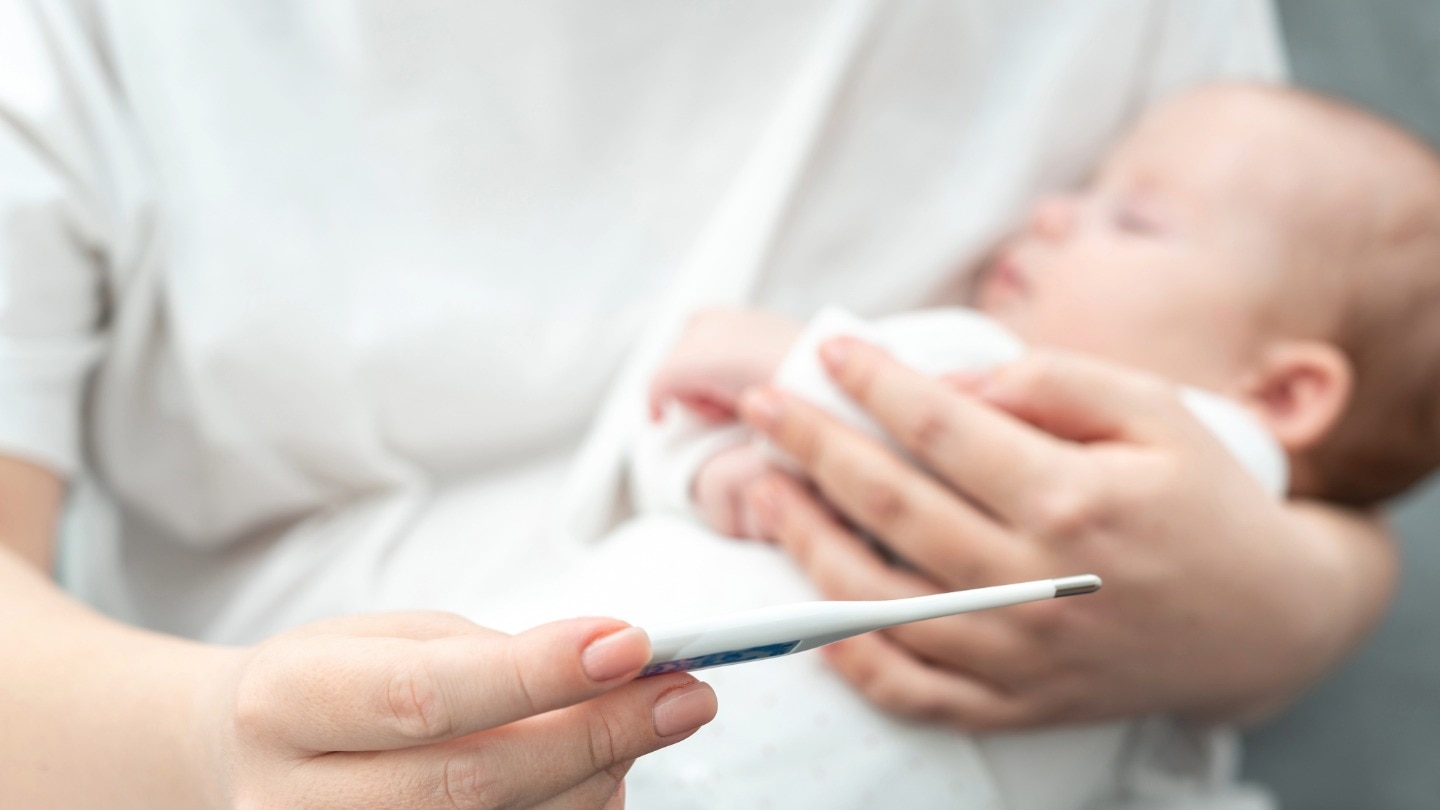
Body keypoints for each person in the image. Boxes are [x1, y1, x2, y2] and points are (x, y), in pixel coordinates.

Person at [0, 1, 1398, 807]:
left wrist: (1309, 590)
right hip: (339, 739)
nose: (1053, 215)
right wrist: (206, 746)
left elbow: (1295, 418)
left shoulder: (1091, 349)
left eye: (1116, 215)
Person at [607, 82, 1440, 807]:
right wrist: (707, 468)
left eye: (1135, 219)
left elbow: (935, 393)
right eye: (1087, 189)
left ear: (1282, 394)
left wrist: (794, 363)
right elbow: (664, 459)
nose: (1050, 212)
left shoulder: (1214, 468)